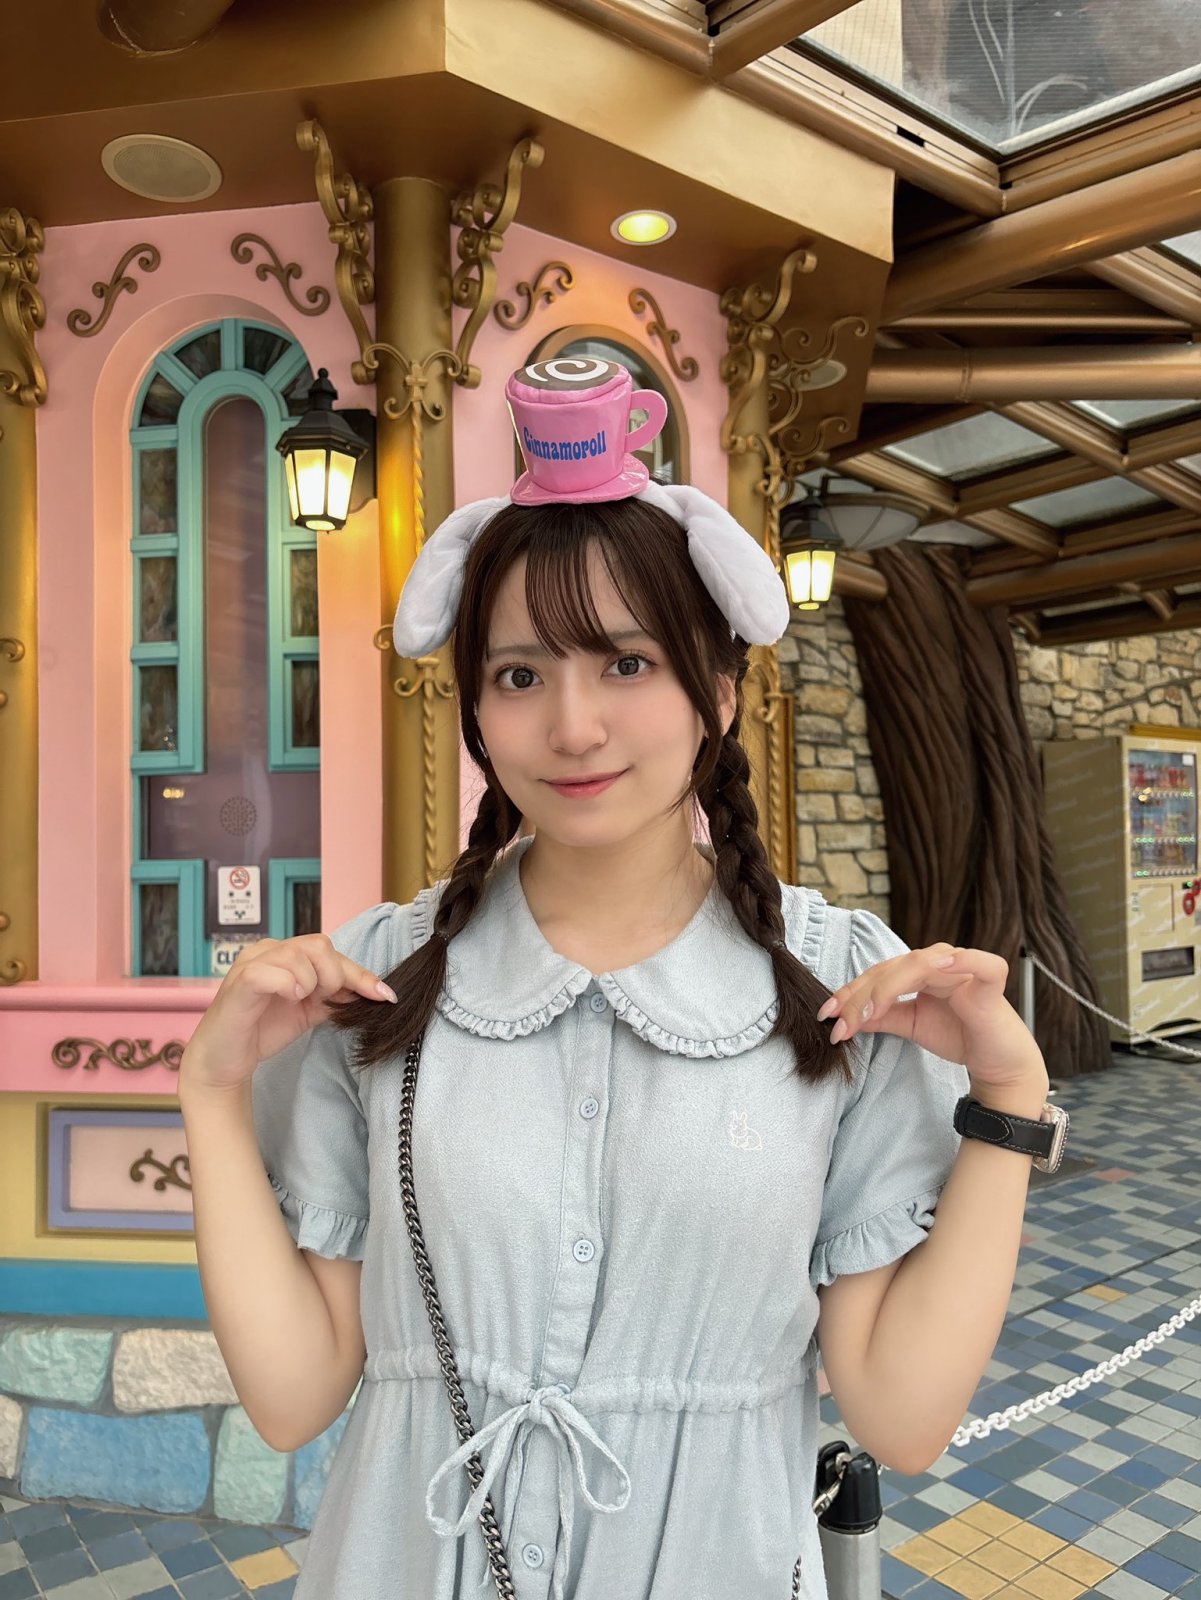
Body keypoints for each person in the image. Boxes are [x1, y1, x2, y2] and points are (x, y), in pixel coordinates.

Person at [179, 356, 1052, 1600]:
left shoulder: (841, 989)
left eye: (627, 663)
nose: (572, 726)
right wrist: (212, 1095)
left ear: (718, 692)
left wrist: (1008, 1098)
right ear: (477, 712)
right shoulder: (379, 981)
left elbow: (901, 1418)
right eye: (519, 675)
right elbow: (292, 1393)